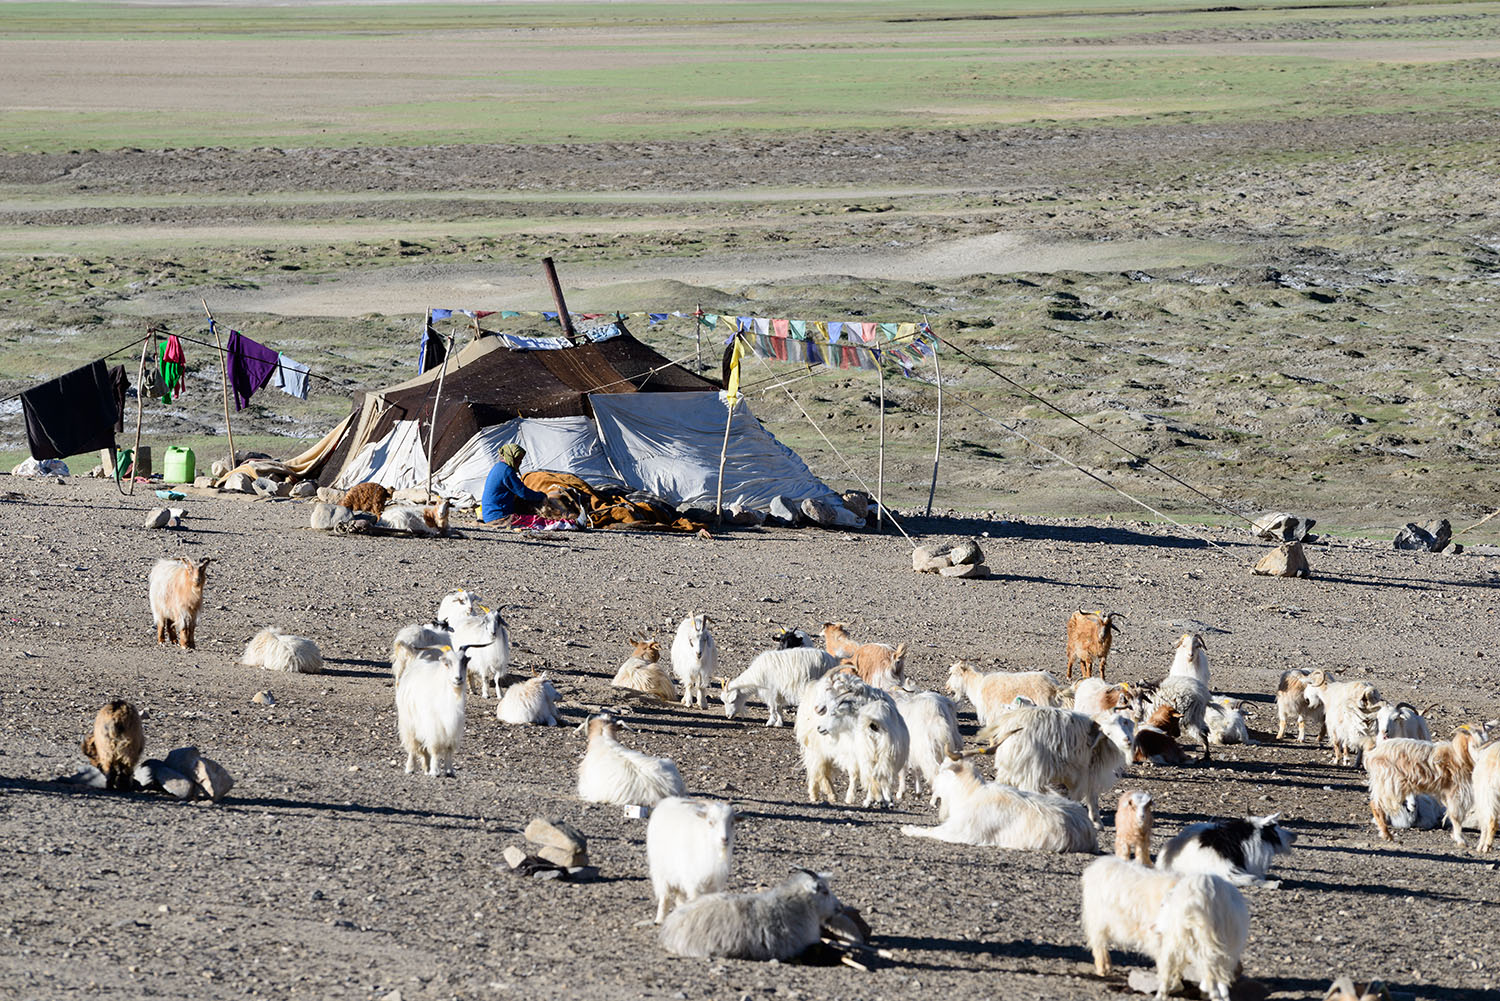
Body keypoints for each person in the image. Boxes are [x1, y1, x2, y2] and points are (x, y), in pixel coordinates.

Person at [481, 443, 547, 524]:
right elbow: (523, 492)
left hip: (489, 515)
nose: (520, 462)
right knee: (541, 522)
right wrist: (541, 496)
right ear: (511, 457)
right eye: (518, 459)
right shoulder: (507, 471)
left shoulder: (498, 467)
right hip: (499, 516)